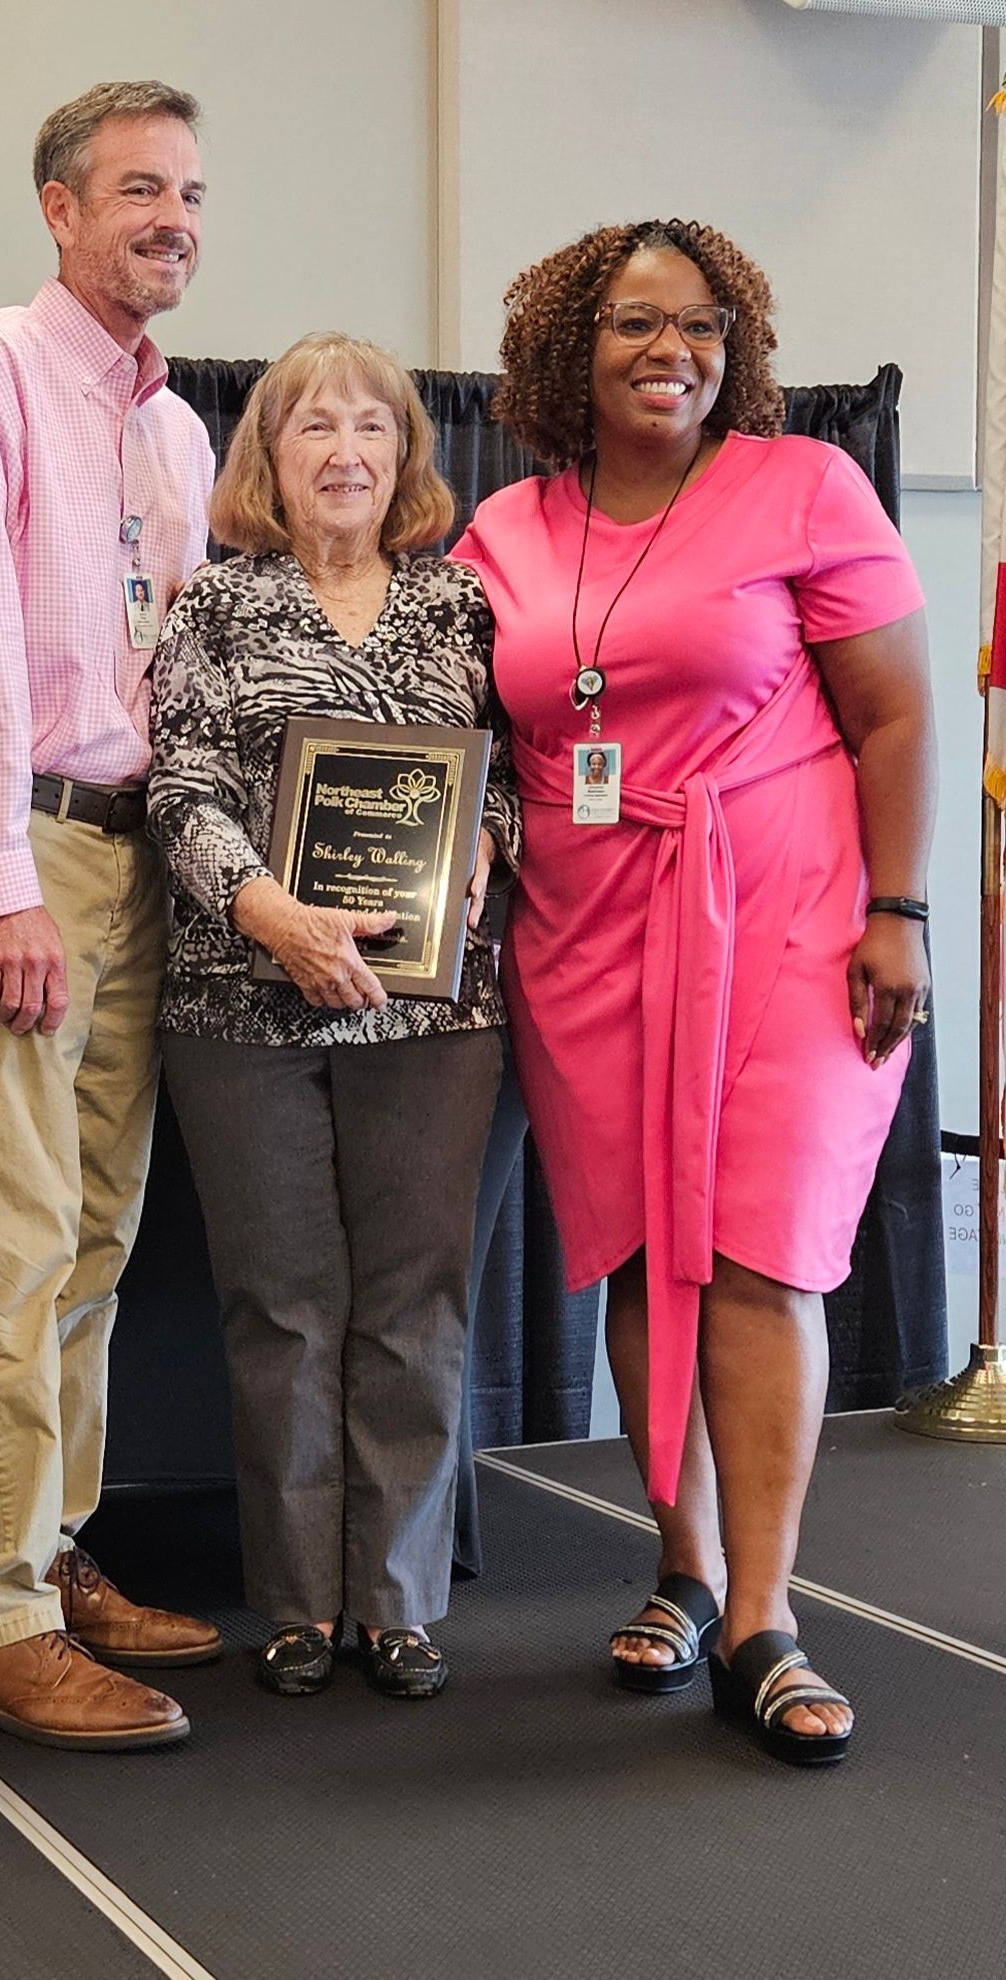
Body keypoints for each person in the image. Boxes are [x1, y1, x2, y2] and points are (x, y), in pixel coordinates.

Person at [454, 219, 934, 1765]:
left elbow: (899, 715)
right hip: (588, 935)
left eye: (704, 325)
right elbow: (452, 730)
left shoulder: (804, 486)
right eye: (637, 325)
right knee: (647, 1250)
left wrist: (902, 913)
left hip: (789, 916)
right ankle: (685, 1562)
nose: (675, 351)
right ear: (567, 350)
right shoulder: (507, 528)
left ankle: (765, 1618)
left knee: (763, 1253)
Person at [0, 80, 222, 1750]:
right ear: (59, 208)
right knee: (11, 1241)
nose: (172, 218)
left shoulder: (173, 431)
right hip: (16, 851)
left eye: (192, 194)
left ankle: (53, 1547)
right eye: (139, 188)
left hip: (138, 858)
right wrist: (0, 883)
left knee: (93, 1238)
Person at [149, 333, 514, 1698]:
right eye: (313, 430)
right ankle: (305, 1601)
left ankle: (401, 1598)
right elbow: (178, 788)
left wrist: (489, 843)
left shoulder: (463, 607)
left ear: (408, 458)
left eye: (371, 428)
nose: (345, 452)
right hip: (243, 999)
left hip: (435, 1014)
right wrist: (273, 916)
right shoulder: (212, 607)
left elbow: (513, 773)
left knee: (416, 1306)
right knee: (284, 1309)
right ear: (269, 459)